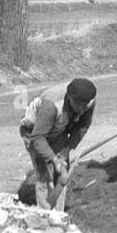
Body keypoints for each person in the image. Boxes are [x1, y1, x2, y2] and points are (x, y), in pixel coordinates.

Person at [19, 77, 97, 209]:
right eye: (78, 105)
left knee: (61, 173)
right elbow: (38, 137)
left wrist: (66, 149)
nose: (82, 110)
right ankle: (45, 214)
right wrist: (53, 159)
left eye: (85, 105)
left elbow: (83, 125)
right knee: (45, 174)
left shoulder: (88, 101)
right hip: (34, 131)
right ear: (69, 98)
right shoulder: (52, 105)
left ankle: (58, 214)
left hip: (58, 130)